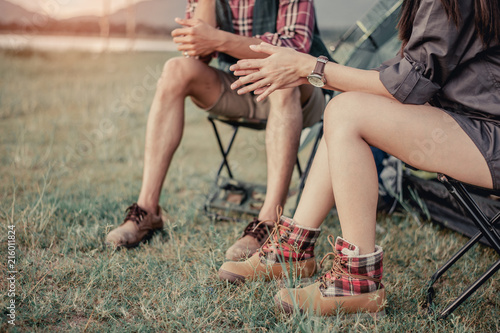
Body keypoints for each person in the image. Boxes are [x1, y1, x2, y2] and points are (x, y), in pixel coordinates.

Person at [218, 0, 500, 317]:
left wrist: (310, 68)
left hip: (490, 136)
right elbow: (402, 72)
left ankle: (357, 281)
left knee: (347, 111)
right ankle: (292, 249)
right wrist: (310, 70)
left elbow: (409, 83)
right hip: (472, 124)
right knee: (347, 105)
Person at [105, 0, 332, 257]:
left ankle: (269, 222)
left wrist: (219, 40)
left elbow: (291, 53)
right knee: (175, 70)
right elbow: (195, 55)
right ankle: (147, 211)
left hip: (298, 91)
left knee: (284, 80)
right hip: (239, 86)